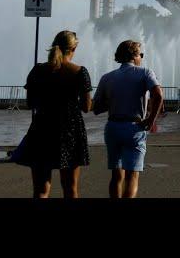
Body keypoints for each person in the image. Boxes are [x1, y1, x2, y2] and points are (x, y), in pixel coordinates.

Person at [14, 30, 92, 198]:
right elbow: (86, 107)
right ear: (73, 48)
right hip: (70, 131)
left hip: (42, 129)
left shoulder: (38, 70)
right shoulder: (79, 72)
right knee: (70, 189)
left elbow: (30, 103)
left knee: (41, 190)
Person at [93, 40, 163, 198]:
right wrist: (151, 120)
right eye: (141, 55)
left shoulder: (107, 77)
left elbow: (96, 108)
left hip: (113, 127)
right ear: (135, 56)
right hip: (134, 127)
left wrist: (115, 100)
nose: (142, 58)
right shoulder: (145, 72)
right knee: (132, 175)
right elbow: (158, 94)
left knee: (116, 176)